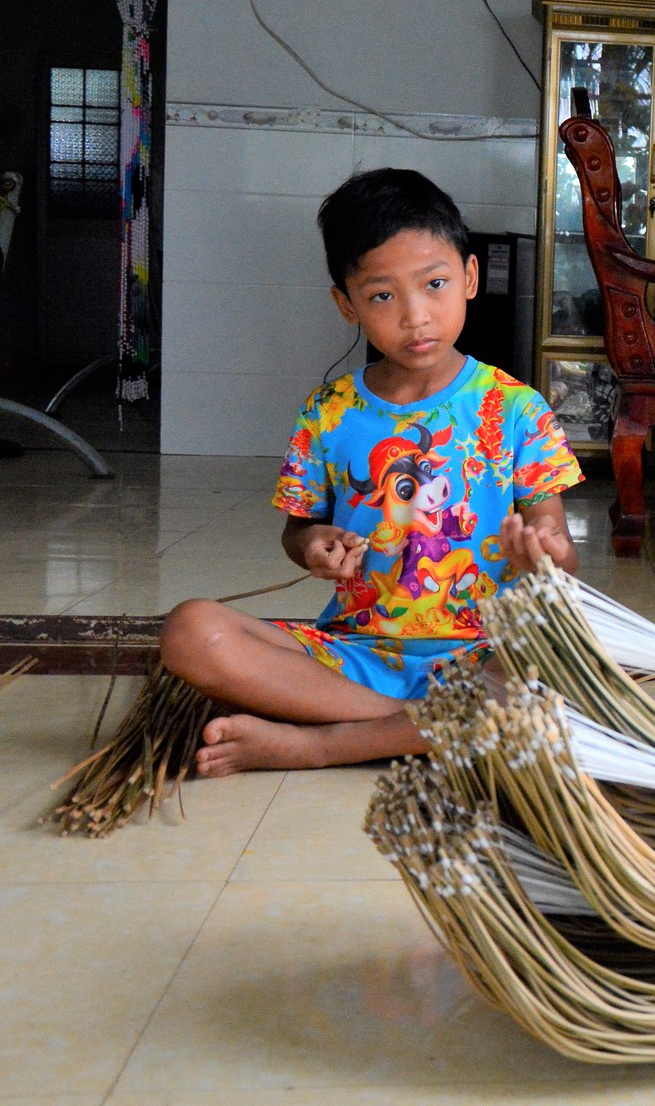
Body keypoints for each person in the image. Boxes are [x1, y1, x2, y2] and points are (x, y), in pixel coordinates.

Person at [158, 169, 582, 775]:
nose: (415, 316)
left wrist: (541, 552)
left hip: (487, 652)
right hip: (355, 652)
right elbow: (296, 530)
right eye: (383, 295)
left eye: (434, 284)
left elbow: (561, 558)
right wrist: (312, 546)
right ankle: (409, 726)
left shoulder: (515, 409)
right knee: (190, 632)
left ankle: (322, 742)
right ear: (347, 305)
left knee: (550, 667)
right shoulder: (328, 412)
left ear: (469, 277)